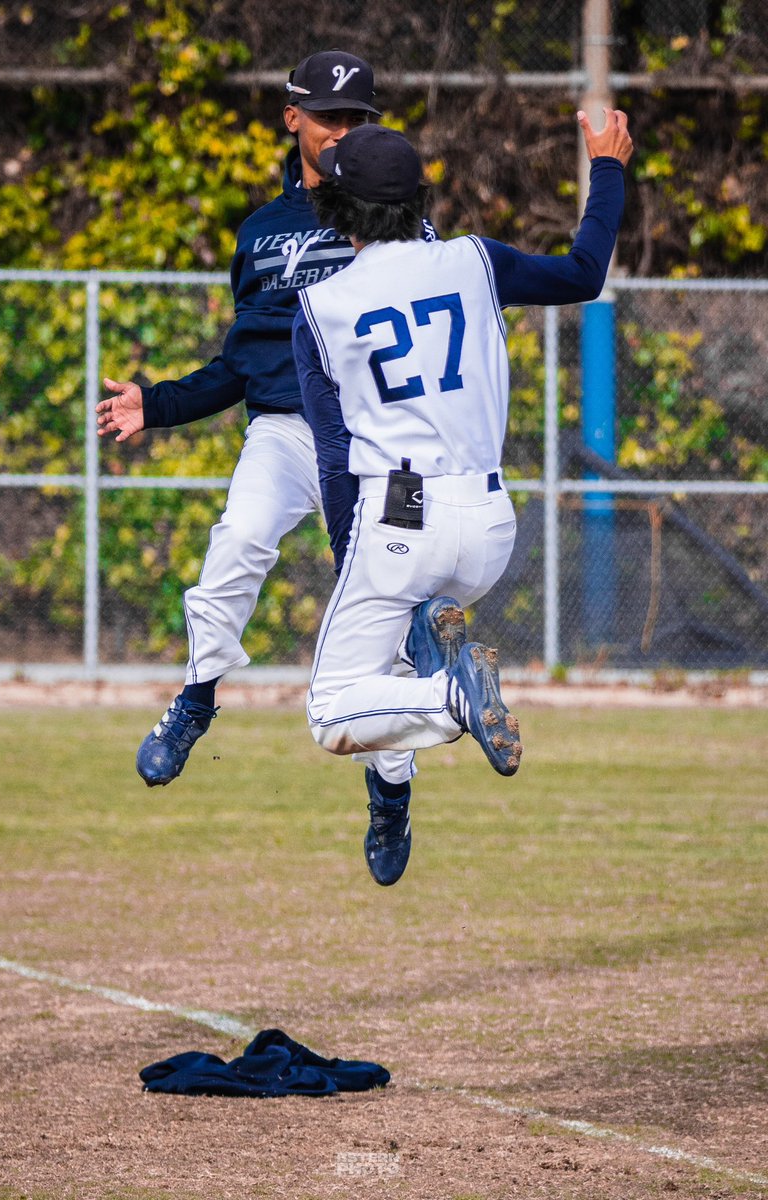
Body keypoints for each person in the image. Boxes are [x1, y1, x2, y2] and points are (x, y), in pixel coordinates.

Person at [293, 109, 633, 886]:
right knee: (387, 671)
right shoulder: (476, 261)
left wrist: (358, 561)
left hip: (397, 518)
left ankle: (451, 697)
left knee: (332, 710)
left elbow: (336, 453)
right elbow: (585, 273)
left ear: (337, 210)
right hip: (487, 525)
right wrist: (606, 166)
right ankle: (394, 790)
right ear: (421, 201)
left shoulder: (320, 309)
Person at [95, 50, 433, 792]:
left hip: (379, 439)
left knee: (391, 606)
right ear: (293, 119)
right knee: (239, 540)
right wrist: (157, 403)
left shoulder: (398, 218)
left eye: (355, 119)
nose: (342, 131)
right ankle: (196, 696)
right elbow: (241, 364)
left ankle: (391, 784)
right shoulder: (261, 233)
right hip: (287, 428)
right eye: (328, 117)